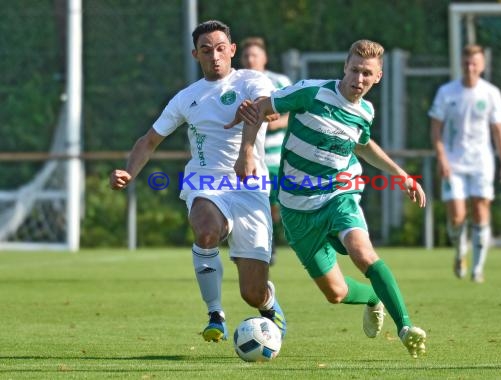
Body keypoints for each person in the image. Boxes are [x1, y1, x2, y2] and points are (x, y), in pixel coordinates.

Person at [227, 39, 427, 358]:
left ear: (379, 77)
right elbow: (260, 108)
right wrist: (247, 152)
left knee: (363, 253)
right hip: (296, 208)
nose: (358, 80)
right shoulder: (312, 92)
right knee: (336, 293)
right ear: (344, 68)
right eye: (355, 70)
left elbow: (361, 144)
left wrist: (400, 174)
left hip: (338, 193)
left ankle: (405, 326)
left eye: (367, 74)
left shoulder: (365, 111)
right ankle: (373, 297)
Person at [109, 20, 286, 343]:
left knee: (252, 292)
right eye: (206, 50)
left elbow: (267, 110)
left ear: (232, 50)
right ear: (196, 54)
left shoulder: (251, 80)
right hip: (206, 183)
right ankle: (215, 313)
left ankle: (268, 302)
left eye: (220, 49)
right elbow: (149, 141)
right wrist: (129, 171)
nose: (214, 56)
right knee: (205, 230)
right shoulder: (186, 98)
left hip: (250, 187)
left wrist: (248, 147)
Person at [429, 44, 501, 283]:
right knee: (457, 216)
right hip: (453, 162)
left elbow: (499, 132)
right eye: (467, 63)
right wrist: (442, 158)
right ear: (461, 64)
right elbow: (436, 130)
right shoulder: (447, 92)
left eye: (475, 63)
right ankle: (460, 251)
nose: (470, 67)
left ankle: (478, 269)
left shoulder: (491, 93)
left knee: (480, 210)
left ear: (482, 65)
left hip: (481, 162)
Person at [240, 37, 292, 265]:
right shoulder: (236, 82)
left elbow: (296, 112)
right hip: (246, 155)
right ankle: (256, 247)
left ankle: (269, 243)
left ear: (264, 58)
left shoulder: (279, 81)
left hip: (274, 156)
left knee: (273, 205)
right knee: (250, 203)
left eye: (255, 55)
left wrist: (277, 123)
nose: (251, 59)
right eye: (247, 56)